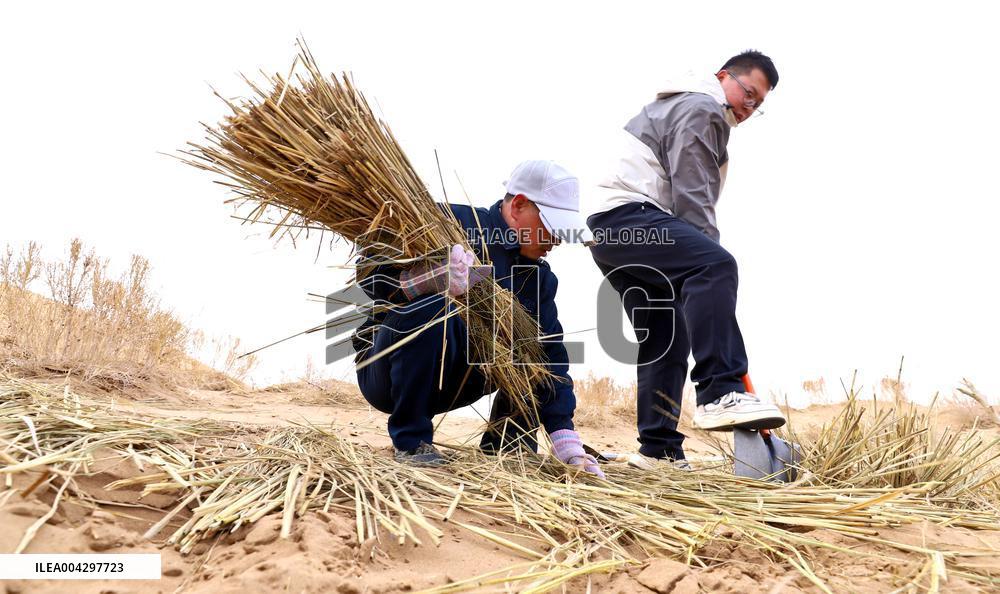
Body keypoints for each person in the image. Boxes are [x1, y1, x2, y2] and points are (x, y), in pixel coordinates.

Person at [586, 50, 786, 463]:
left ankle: (657, 450)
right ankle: (722, 391)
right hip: (630, 215)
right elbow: (692, 196)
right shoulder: (701, 106)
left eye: (758, 104)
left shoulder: (687, 106)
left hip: (612, 231)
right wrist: (707, 252)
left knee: (665, 334)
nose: (748, 107)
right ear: (723, 76)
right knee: (715, 265)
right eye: (748, 93)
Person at [354, 160, 603, 478]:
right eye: (552, 226)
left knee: (529, 345)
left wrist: (565, 439)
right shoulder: (447, 221)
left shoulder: (538, 280)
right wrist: (427, 280)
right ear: (519, 206)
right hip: (386, 368)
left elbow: (551, 360)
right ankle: (412, 441)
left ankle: (508, 451)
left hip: (458, 379)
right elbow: (369, 272)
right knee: (436, 310)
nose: (557, 239)